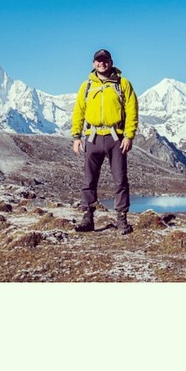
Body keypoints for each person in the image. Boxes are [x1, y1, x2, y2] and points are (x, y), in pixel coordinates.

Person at [71, 49, 138, 234]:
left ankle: (122, 219)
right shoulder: (86, 87)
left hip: (116, 138)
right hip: (92, 137)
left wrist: (129, 135)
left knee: (120, 180)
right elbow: (79, 112)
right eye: (98, 60)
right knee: (89, 179)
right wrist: (76, 137)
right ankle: (88, 217)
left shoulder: (123, 84)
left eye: (105, 60)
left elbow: (132, 111)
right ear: (94, 64)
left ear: (111, 62)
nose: (102, 63)